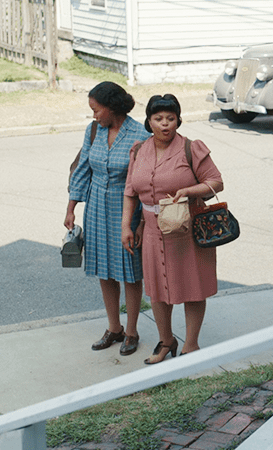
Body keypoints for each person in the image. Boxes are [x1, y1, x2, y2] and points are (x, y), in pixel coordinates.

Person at [122, 94, 224, 365]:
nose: (165, 124)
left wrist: (190, 190)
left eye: (171, 118)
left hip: (187, 228)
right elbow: (131, 192)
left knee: (193, 286)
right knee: (157, 289)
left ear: (178, 119)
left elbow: (216, 181)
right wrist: (128, 226)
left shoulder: (192, 148)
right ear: (149, 121)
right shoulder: (138, 151)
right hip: (153, 231)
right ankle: (166, 340)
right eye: (158, 119)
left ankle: (191, 345)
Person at [65, 81, 150, 356]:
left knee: (130, 271)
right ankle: (114, 327)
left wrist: (139, 223)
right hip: (96, 208)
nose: (93, 116)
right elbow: (82, 170)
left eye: (96, 110)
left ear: (112, 107)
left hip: (128, 208)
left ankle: (132, 330)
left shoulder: (140, 134)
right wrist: (71, 207)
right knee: (103, 268)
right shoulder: (93, 131)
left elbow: (146, 182)